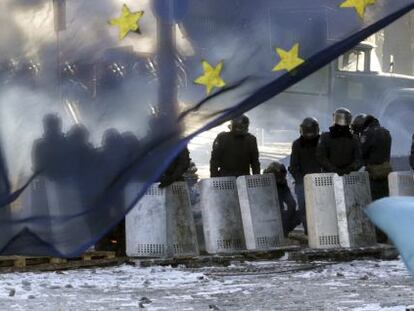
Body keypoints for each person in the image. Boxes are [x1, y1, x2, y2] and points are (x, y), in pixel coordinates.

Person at [289, 117, 323, 235]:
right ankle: (309, 232)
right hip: (303, 182)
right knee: (304, 209)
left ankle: (320, 230)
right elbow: (293, 166)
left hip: (321, 181)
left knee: (322, 207)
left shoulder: (322, 141)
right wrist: (301, 181)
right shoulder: (297, 144)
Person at [352, 114, 392, 200]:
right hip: (385, 173)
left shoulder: (368, 133)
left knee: (373, 200)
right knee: (384, 198)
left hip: (373, 174)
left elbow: (361, 152)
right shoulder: (386, 132)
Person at [316, 108, 362, 175]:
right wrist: (349, 169)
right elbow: (359, 160)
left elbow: (320, 157)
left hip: (330, 176)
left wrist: (333, 169)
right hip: (349, 177)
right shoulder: (355, 138)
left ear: (334, 118)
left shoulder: (325, 136)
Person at [264, 161, 299, 237]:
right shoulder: (264, 183)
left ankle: (283, 231)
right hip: (266, 218)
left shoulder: (282, 184)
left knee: (300, 214)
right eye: (279, 177)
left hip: (279, 215)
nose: (281, 179)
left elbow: (291, 203)